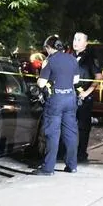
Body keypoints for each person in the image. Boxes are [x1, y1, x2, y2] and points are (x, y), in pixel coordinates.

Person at [32, 35, 80, 176]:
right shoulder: (71, 58)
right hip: (70, 98)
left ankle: (48, 168)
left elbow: (41, 83)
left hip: (56, 99)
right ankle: (72, 165)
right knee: (70, 133)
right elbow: (76, 80)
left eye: (46, 48)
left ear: (49, 47)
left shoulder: (49, 61)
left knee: (52, 133)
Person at [72, 32, 103, 162]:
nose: (75, 42)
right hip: (69, 95)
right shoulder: (70, 56)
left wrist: (88, 92)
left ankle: (81, 154)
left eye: (79, 40)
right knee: (68, 125)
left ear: (86, 43)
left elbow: (98, 76)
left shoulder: (90, 58)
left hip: (84, 97)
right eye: (74, 39)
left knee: (83, 127)